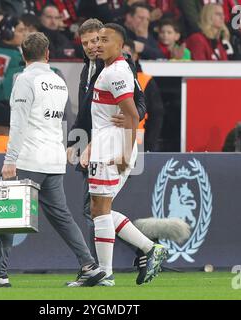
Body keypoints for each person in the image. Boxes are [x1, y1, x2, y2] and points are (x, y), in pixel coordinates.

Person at [0, 32, 105, 288]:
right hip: (53, 158)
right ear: (48, 53)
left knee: (6, 213)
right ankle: (89, 265)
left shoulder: (24, 80)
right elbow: (63, 118)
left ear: (22, 55)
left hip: (28, 159)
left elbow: (17, 124)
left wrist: (10, 160)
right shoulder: (58, 81)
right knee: (63, 217)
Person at [76, 23, 168, 287]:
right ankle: (141, 253)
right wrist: (92, 144)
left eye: (105, 40)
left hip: (113, 147)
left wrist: (125, 154)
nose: (99, 44)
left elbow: (131, 115)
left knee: (99, 209)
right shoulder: (109, 69)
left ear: (119, 46)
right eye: (97, 40)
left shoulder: (115, 72)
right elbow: (103, 116)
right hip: (105, 144)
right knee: (98, 209)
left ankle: (109, 270)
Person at [123, 38, 164, 152]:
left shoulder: (145, 80)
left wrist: (150, 144)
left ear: (135, 56)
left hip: (139, 141)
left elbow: (156, 115)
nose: (123, 58)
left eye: (126, 54)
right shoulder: (107, 77)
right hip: (113, 139)